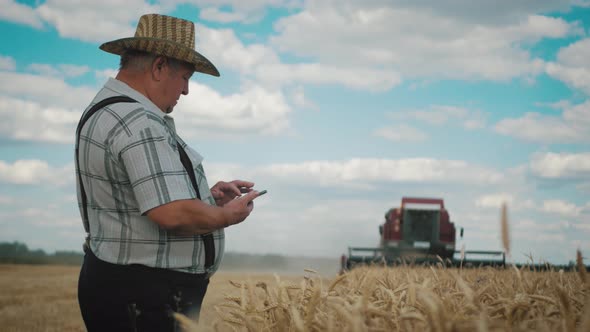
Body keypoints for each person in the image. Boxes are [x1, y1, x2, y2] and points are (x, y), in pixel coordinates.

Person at [75, 13, 260, 332]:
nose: (186, 90)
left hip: (123, 288)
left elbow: (135, 201)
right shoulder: (138, 123)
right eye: (186, 77)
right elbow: (171, 213)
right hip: (146, 299)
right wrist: (228, 216)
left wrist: (207, 200)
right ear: (159, 67)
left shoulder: (106, 111)